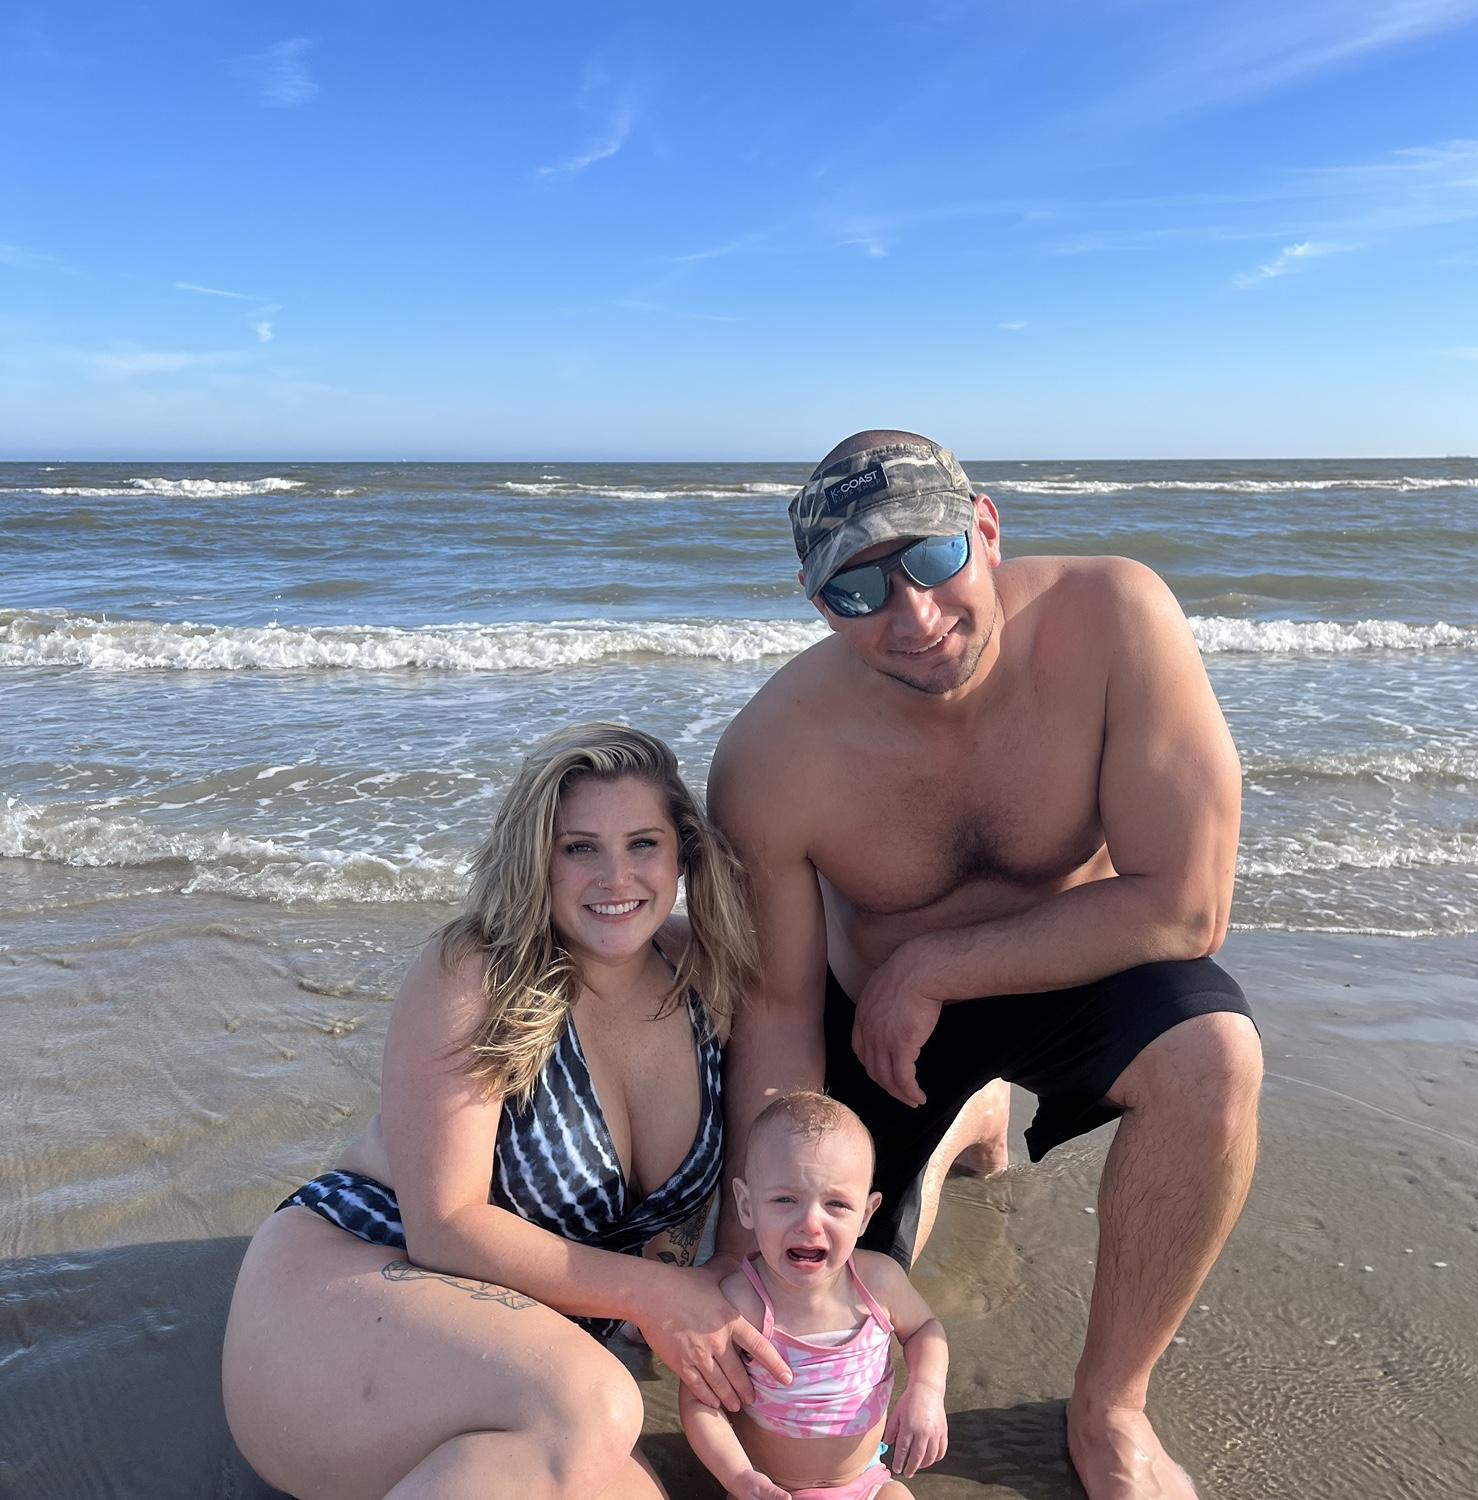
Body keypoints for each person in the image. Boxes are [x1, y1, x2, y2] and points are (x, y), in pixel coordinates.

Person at [707, 432, 1263, 1500]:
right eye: (858, 590)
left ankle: (1111, 1409)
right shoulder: (772, 757)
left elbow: (1190, 906)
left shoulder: (1117, 618)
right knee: (818, 1302)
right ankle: (965, 1116)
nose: (913, 616)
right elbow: (774, 1008)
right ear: (817, 602)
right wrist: (744, 1262)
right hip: (883, 1028)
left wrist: (935, 967)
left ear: (987, 527)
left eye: (931, 558)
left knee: (1216, 1059)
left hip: (1077, 963)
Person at [223, 722, 793, 1500]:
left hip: (525, 1358)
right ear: (537, 860)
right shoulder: (479, 972)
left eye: (643, 844)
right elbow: (444, 1225)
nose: (615, 876)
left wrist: (714, 1271)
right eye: (579, 848)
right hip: (349, 1287)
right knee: (596, 1405)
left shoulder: (704, 975)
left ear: (683, 854)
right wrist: (653, 1294)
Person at [681, 1092, 947, 1500]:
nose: (809, 1223)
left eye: (836, 1204)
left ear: (866, 1215)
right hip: (769, 1489)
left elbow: (924, 1329)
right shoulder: (739, 1304)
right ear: (747, 1206)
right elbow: (700, 1402)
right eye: (785, 1200)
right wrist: (737, 1477)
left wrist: (926, 1389)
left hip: (868, 1482)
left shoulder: (879, 1283)